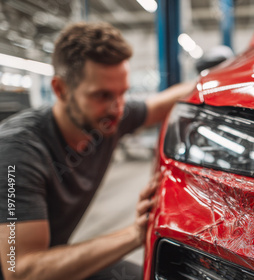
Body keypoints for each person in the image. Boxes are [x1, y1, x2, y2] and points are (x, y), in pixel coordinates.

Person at [0, 22, 193, 280]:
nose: (118, 108)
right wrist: (135, 233)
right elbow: (19, 269)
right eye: (102, 95)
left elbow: (160, 104)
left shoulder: (105, 119)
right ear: (60, 89)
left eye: (122, 93)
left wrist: (220, 79)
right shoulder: (17, 154)